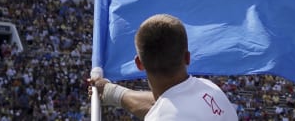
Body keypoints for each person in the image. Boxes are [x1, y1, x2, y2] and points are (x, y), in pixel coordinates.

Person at [89, 14, 239, 120]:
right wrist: (112, 92)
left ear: (139, 64)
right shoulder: (211, 89)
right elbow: (165, 104)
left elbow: (167, 107)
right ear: (187, 57)